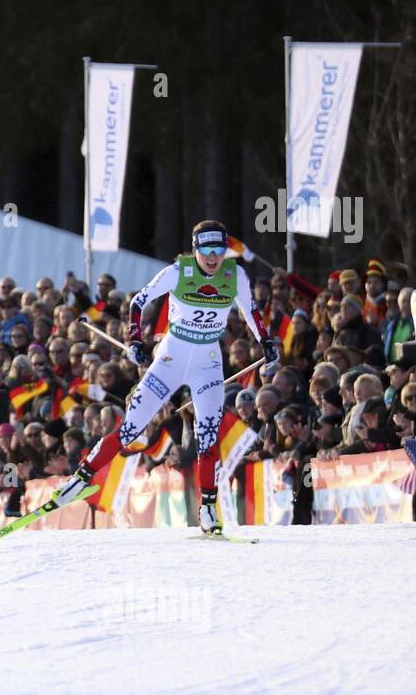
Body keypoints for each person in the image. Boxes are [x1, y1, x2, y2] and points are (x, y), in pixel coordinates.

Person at [47, 220, 278, 536]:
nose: (213, 257)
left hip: (208, 362)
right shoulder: (178, 272)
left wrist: (266, 340)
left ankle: (208, 508)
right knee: (131, 428)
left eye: (219, 249)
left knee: (208, 435)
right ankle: (81, 478)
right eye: (206, 249)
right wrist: (136, 341)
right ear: (195, 249)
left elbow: (250, 311)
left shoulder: (234, 275)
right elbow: (139, 301)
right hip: (171, 358)